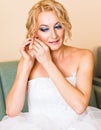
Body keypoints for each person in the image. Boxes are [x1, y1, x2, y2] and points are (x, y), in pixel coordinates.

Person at [0, 0, 101, 129]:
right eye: (44, 29)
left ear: (65, 26)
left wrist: (47, 63)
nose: (53, 35)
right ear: (34, 33)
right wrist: (26, 64)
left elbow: (80, 107)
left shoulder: (84, 56)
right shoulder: (28, 60)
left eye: (58, 26)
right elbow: (12, 111)